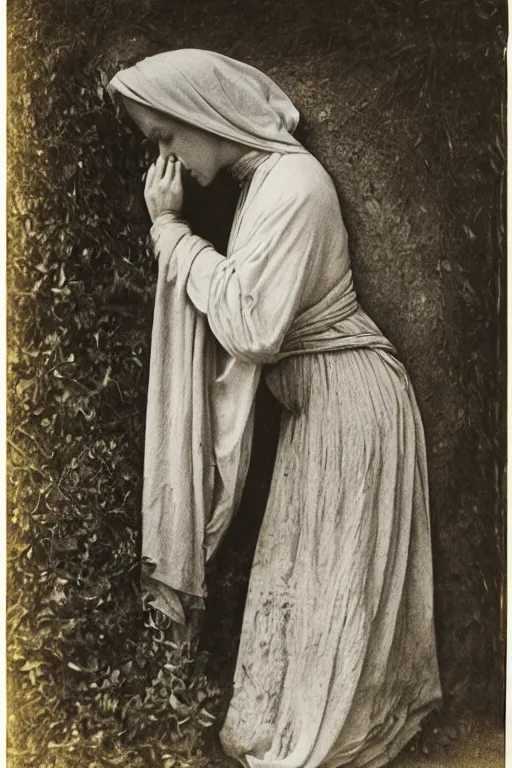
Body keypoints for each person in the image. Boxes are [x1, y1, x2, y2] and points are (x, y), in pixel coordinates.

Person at [109, 49, 442, 768]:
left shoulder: (292, 184)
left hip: (352, 412)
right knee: (303, 602)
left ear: (204, 115)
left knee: (333, 614)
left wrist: (170, 233)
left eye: (166, 136)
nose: (164, 158)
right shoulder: (263, 184)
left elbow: (253, 328)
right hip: (318, 414)